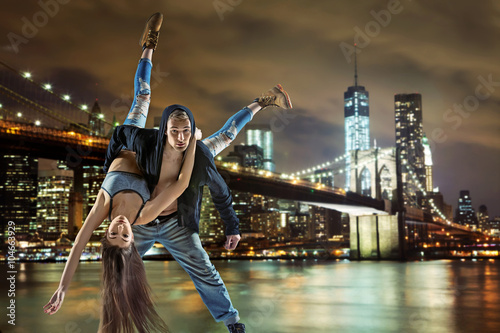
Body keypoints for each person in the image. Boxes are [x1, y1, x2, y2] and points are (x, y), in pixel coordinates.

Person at [104, 18, 293, 333]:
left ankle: (233, 323)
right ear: (164, 131)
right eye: (174, 131)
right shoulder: (144, 141)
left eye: (186, 132)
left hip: (178, 225)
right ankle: (148, 45)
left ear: (192, 132)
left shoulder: (201, 156)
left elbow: (221, 193)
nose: (180, 138)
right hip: (142, 223)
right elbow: (118, 135)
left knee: (205, 271)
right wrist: (111, 171)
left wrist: (232, 227)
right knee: (142, 97)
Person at [43, 13, 192, 333]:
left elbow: (78, 246)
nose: (122, 228)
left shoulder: (103, 207)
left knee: (143, 95)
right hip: (150, 153)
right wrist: (193, 144)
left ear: (106, 236)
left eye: (113, 234)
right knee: (179, 140)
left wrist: (63, 287)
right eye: (126, 236)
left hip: (124, 142)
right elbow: (179, 186)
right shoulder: (143, 215)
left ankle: (148, 46)